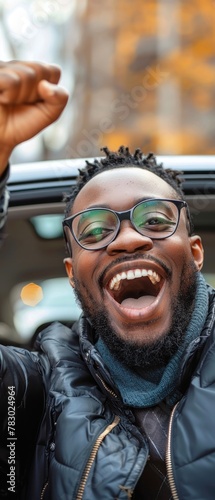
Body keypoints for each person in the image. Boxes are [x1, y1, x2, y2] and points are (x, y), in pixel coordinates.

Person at [0, 61, 214, 500]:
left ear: (194, 253)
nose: (130, 239)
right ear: (72, 274)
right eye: (94, 231)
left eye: (155, 220)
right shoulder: (34, 393)